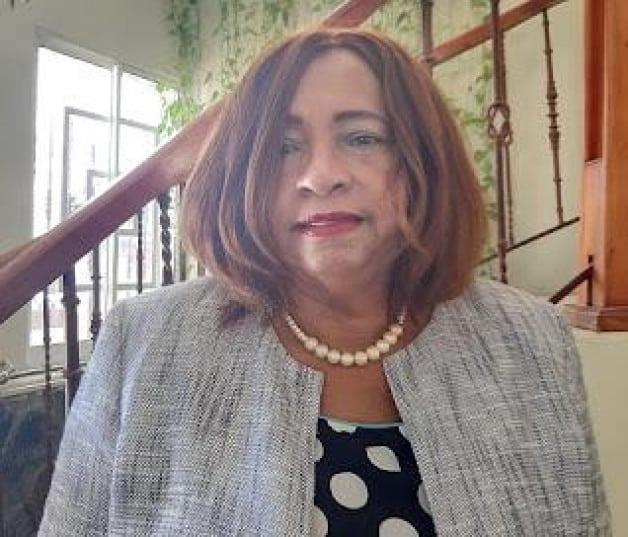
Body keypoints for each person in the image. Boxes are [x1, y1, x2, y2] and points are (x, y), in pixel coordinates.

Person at [38, 28, 612, 536]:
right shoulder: (145, 341)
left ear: (422, 159)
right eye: (284, 147)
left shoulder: (531, 339)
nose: (320, 176)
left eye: (362, 138)